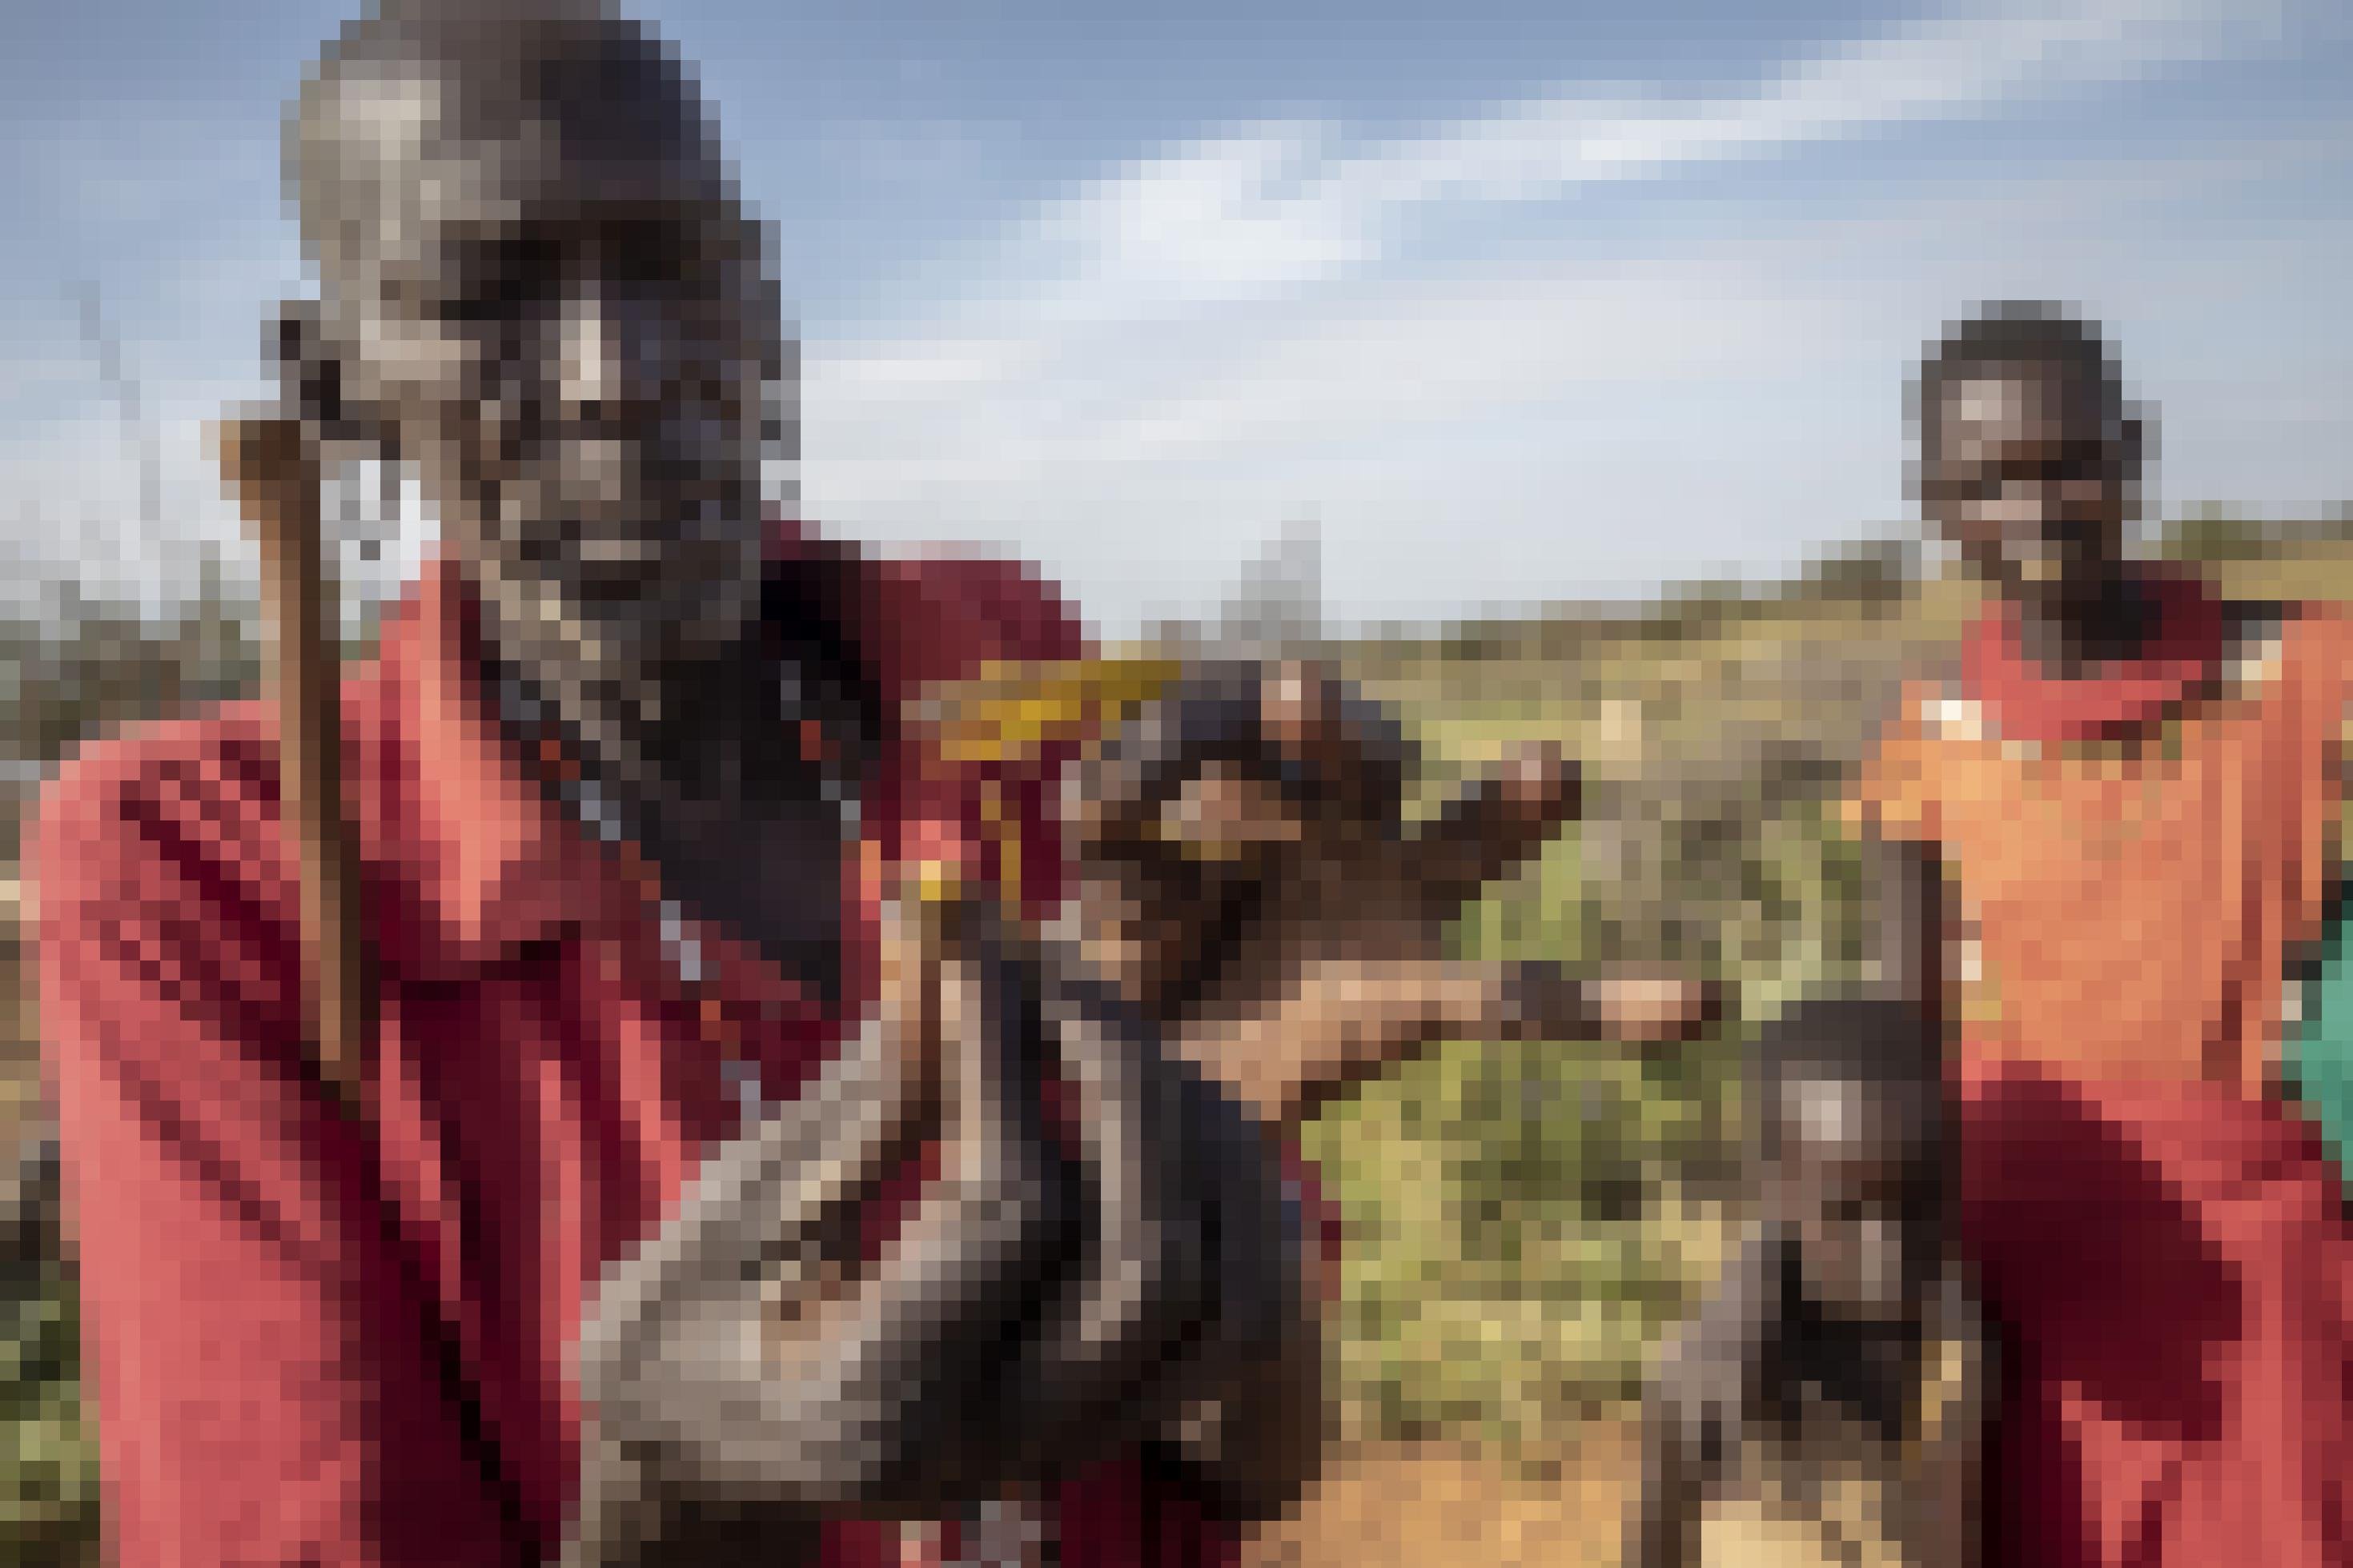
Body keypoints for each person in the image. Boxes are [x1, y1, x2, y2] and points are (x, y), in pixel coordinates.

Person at [30, 5, 1712, 1565]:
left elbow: (1237, 1471)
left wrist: (1222, 1161)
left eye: (675, 268)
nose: (617, 377)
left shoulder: (1001, 679)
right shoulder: (201, 867)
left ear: (757, 307)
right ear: (333, 387)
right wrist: (658, 1494)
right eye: (488, 295)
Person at [1847, 299, 2353, 1566]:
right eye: (1984, 483)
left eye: (2065, 464)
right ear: (1932, 501)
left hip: (2258, 1261)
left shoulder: (2305, 677)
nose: (2030, 511)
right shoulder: (1927, 745)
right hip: (2017, 1264)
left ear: (2132, 452)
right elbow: (1896, 1049)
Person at [1625, 993, 1990, 1568]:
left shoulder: (1960, 1350)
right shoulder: (1705, 1385)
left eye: (1915, 1204)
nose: (1887, 1250)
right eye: (1847, 1211)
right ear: (1771, 1193)